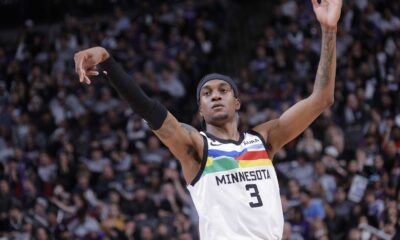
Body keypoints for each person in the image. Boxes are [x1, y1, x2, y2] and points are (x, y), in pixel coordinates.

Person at [73, 0, 342, 238]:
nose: (215, 96)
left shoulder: (264, 140)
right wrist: (108, 61)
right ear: (200, 108)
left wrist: (329, 30)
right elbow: (150, 110)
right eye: (207, 93)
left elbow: (321, 99)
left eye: (223, 90)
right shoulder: (197, 148)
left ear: (236, 102)